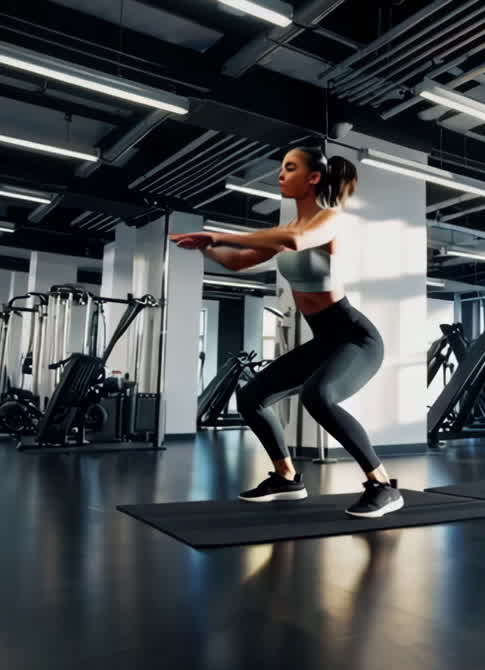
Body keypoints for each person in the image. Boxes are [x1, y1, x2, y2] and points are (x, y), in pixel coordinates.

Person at [170, 147, 402, 519]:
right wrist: (208, 247)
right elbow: (240, 261)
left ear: (313, 178)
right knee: (251, 398)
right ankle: (287, 477)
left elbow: (295, 242)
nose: (280, 174)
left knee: (319, 396)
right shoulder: (288, 231)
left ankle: (382, 485)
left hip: (355, 338)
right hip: (325, 339)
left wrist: (222, 233)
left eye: (289, 168)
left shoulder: (330, 219)